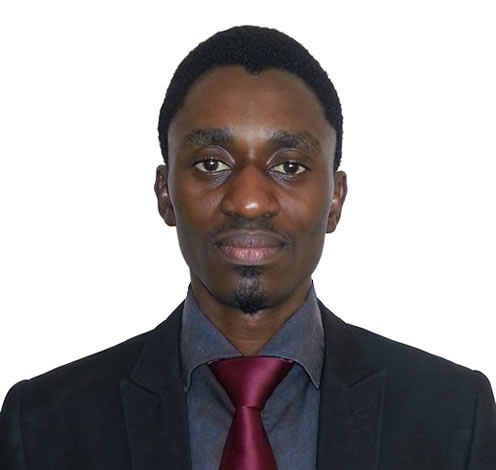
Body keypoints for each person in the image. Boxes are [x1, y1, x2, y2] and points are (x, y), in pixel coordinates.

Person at [1, 25, 495, 470]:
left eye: (289, 166)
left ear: (335, 200)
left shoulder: (455, 417)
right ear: (165, 194)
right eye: (212, 164)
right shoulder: (44, 427)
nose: (250, 201)